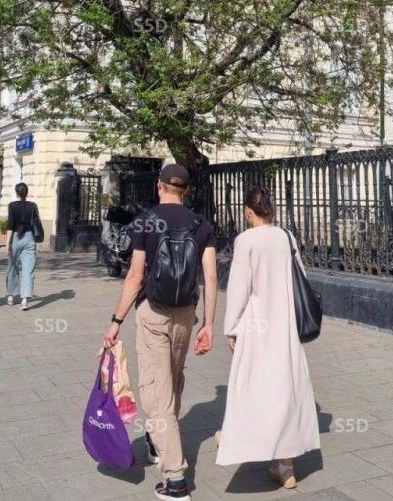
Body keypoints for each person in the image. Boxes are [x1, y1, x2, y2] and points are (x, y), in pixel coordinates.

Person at [102, 164, 218, 501]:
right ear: (186, 190)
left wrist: (116, 321)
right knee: (173, 379)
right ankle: (158, 439)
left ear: (159, 185)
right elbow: (210, 278)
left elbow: (135, 276)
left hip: (153, 312)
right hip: (186, 313)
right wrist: (209, 324)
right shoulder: (202, 225)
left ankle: (176, 479)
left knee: (157, 390)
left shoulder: (145, 222)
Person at [215, 186, 319, 490]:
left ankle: (236, 437)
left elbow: (239, 288)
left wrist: (231, 327)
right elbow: (300, 277)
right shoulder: (286, 237)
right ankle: (286, 468)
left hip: (256, 327)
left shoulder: (246, 240)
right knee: (286, 390)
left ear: (249, 211)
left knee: (249, 387)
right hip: (285, 326)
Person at [5, 182, 41, 310]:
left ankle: (11, 295)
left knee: (12, 266)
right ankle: (24, 300)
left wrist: (7, 243)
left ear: (17, 193)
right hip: (29, 237)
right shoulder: (33, 206)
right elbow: (36, 222)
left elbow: (10, 225)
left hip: (15, 237)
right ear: (27, 192)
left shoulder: (12, 206)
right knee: (28, 269)